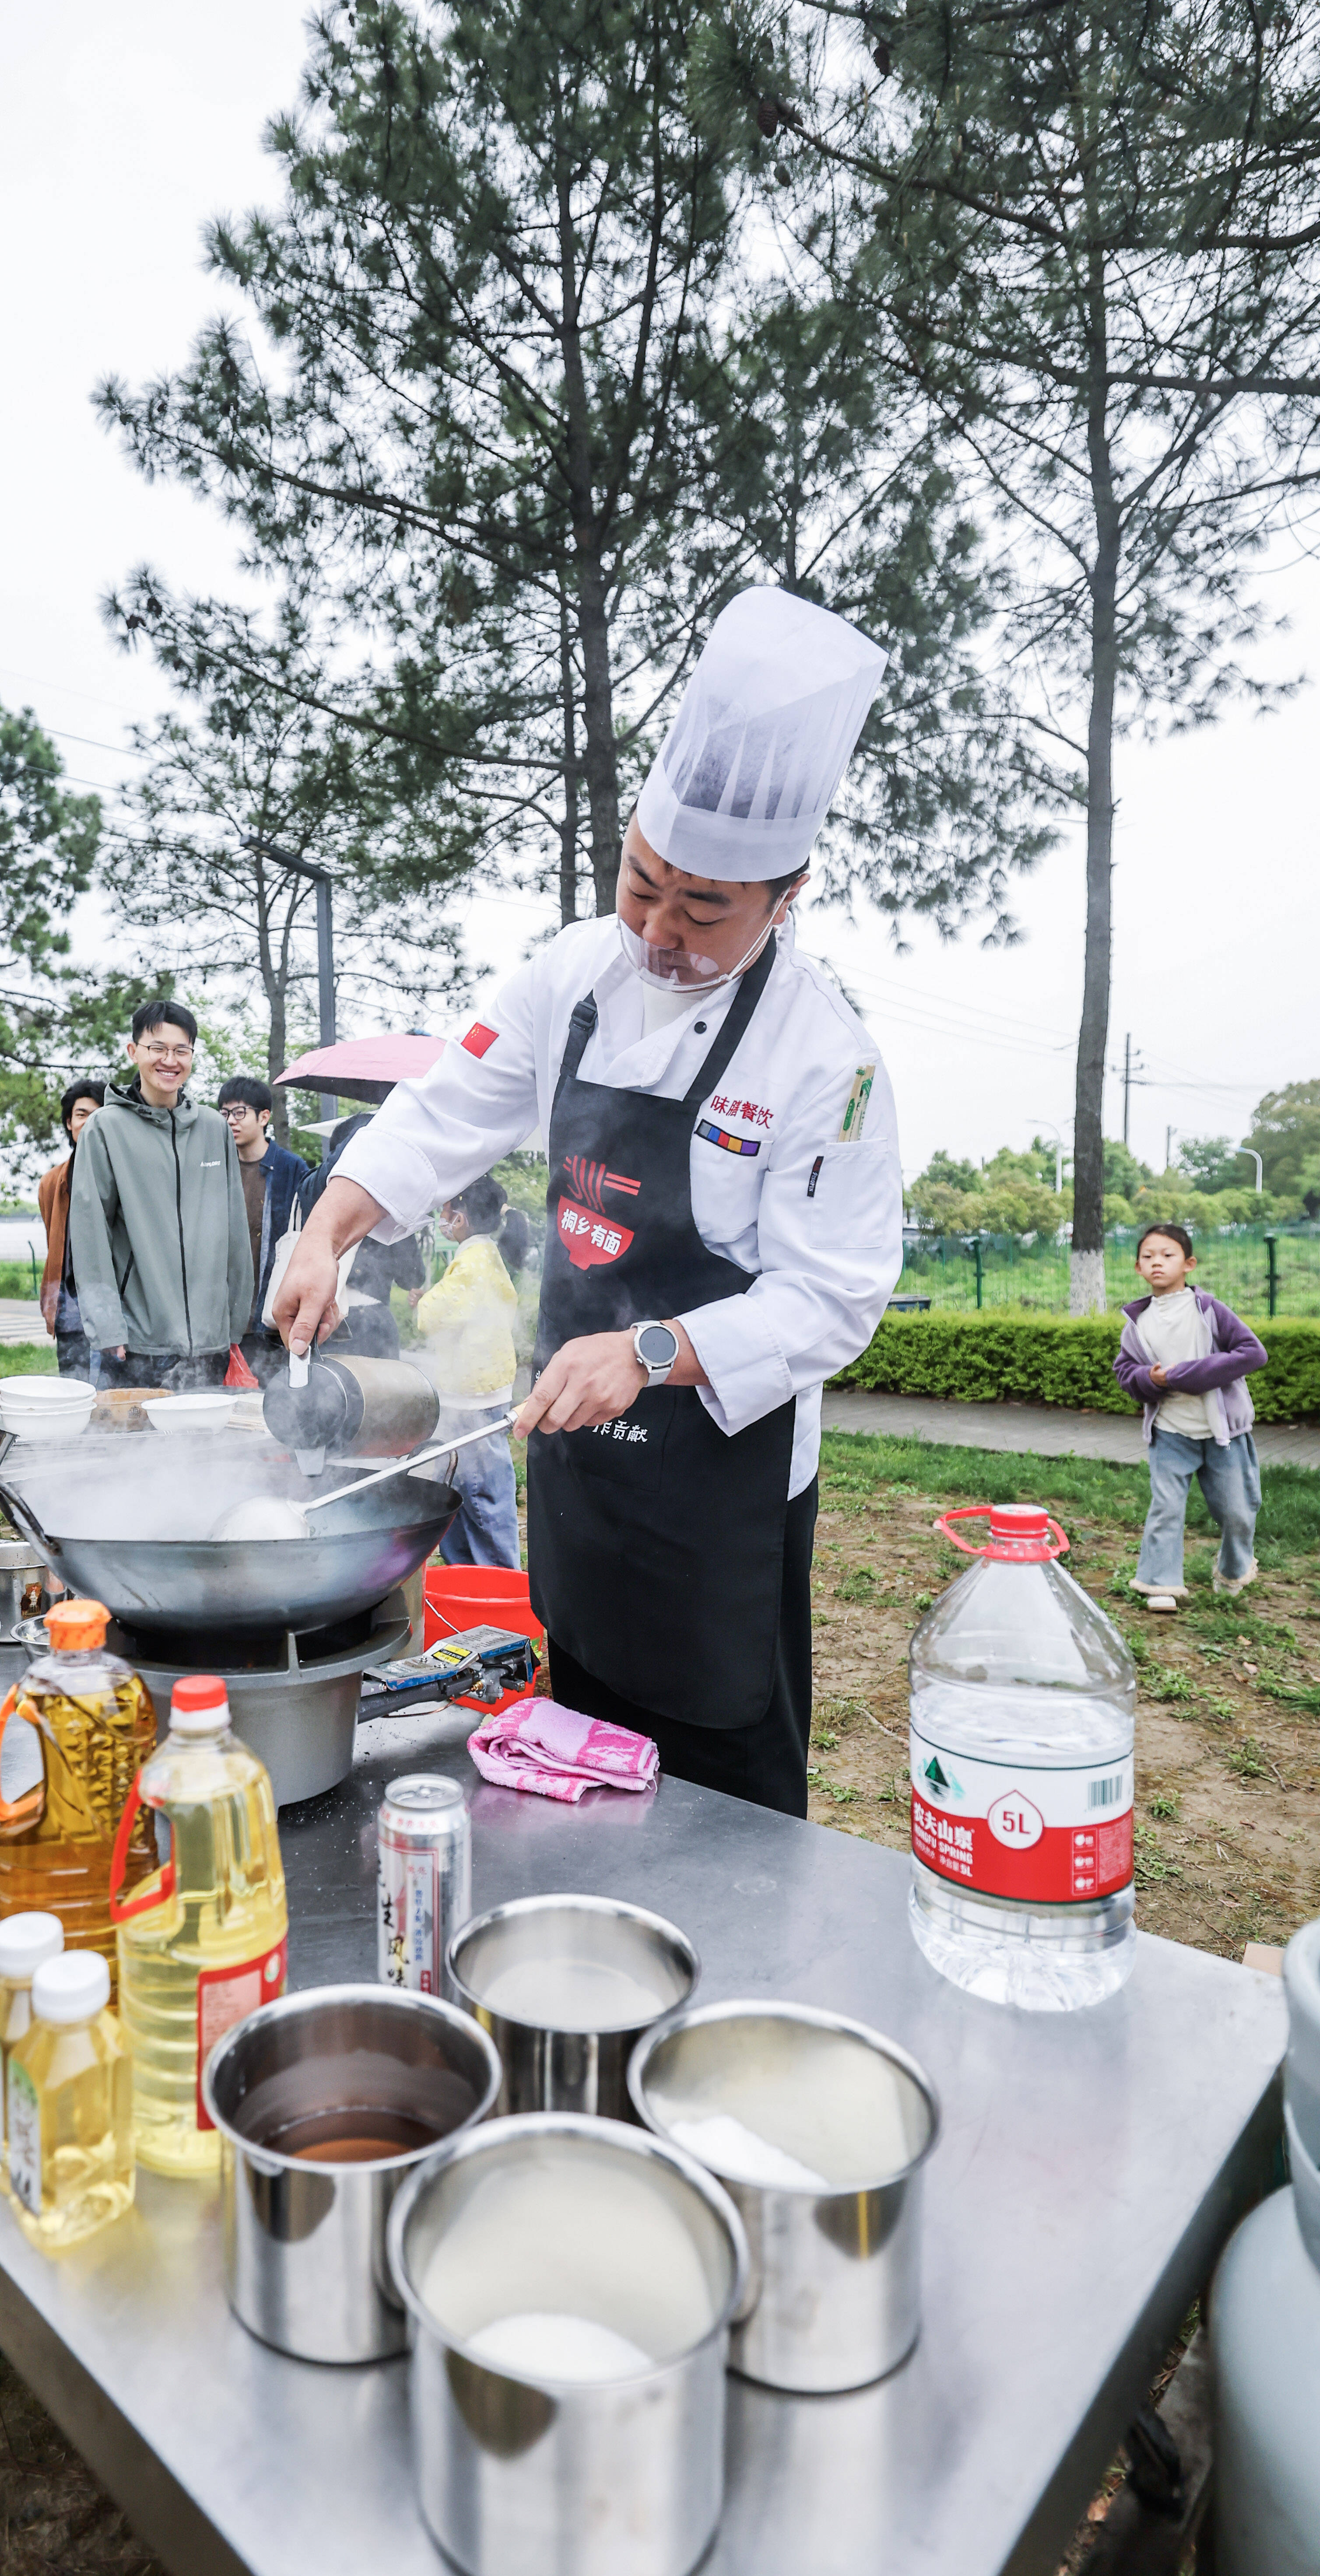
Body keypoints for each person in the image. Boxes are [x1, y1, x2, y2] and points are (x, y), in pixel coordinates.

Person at [271, 584, 902, 1815]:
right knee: (583, 1749)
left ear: (786, 896)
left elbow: (834, 1299)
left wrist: (652, 1351)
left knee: (723, 1794)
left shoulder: (826, 1057)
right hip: (578, 1460)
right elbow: (442, 1112)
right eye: (640, 882)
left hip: (722, 1492)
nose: (658, 929)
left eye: (703, 909)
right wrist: (326, 1229)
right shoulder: (570, 974)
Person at [67, 998, 252, 1391]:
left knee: (210, 1432)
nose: (170, 1061)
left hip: (211, 1340)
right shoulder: (105, 1129)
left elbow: (234, 1228)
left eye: (181, 1050)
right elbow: (90, 1234)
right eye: (158, 1049)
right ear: (134, 1052)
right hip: (139, 1342)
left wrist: (236, 1323)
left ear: (192, 1056)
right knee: (138, 1432)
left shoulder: (213, 1129)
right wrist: (106, 1325)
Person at [1116, 1223, 1267, 1613]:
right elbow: (1125, 1372)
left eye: (1168, 1255)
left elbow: (1253, 1353)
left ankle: (1233, 1571)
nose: (1157, 1263)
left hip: (1224, 1434)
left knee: (1238, 1512)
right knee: (1166, 1508)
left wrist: (1185, 1375)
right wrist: (1150, 1379)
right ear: (1138, 1268)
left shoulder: (1210, 1311)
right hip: (1170, 1431)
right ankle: (1159, 1583)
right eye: (1148, 1257)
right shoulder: (1137, 1322)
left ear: (1189, 1264)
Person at [414, 1174, 521, 1569]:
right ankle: (467, 1576)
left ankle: (499, 1584)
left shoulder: (473, 1260)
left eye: (446, 1209)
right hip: (478, 1389)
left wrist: (424, 1302)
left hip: (472, 1395)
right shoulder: (484, 1254)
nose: (442, 1217)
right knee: (461, 1490)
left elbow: (432, 1316)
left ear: (461, 1217)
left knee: (479, 1496)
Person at [292, 1115, 428, 1361]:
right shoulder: (325, 1185)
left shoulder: (317, 1190)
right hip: (355, 1324)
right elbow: (412, 1277)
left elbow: (412, 1277)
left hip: (335, 1323)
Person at [219, 1075, 308, 1380]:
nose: (231, 1121)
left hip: (272, 1316)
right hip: (226, 1317)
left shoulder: (291, 1168)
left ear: (264, 1117)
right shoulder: (217, 1166)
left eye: (240, 1112)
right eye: (225, 1113)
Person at [38, 1077, 107, 1381]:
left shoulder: (124, 1174)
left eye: (98, 1115)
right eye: (81, 1115)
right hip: (69, 1308)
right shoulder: (52, 1182)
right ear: (69, 1123)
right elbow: (53, 1241)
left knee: (115, 1393)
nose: (89, 1122)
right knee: (73, 1389)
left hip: (117, 1309)